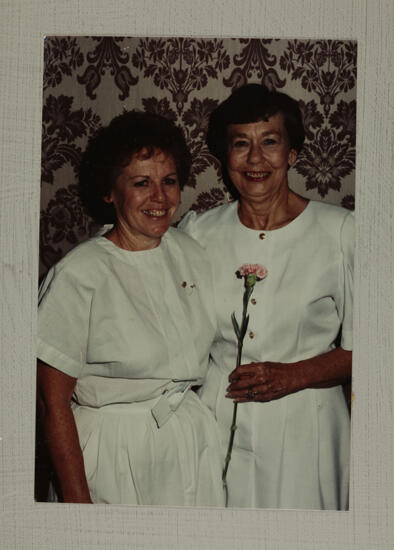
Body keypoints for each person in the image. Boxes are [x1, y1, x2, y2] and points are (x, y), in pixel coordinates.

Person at [36, 111, 225, 506]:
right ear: (110, 192)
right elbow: (51, 403)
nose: (160, 197)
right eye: (141, 183)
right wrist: (76, 503)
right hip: (112, 456)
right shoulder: (80, 274)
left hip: (188, 444)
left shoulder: (191, 252)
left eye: (169, 181)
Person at [179, 83, 353, 510]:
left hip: (306, 431)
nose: (255, 159)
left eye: (270, 142)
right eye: (241, 144)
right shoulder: (198, 231)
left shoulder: (341, 231)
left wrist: (293, 376)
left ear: (292, 154)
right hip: (216, 426)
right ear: (225, 159)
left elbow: (379, 348)